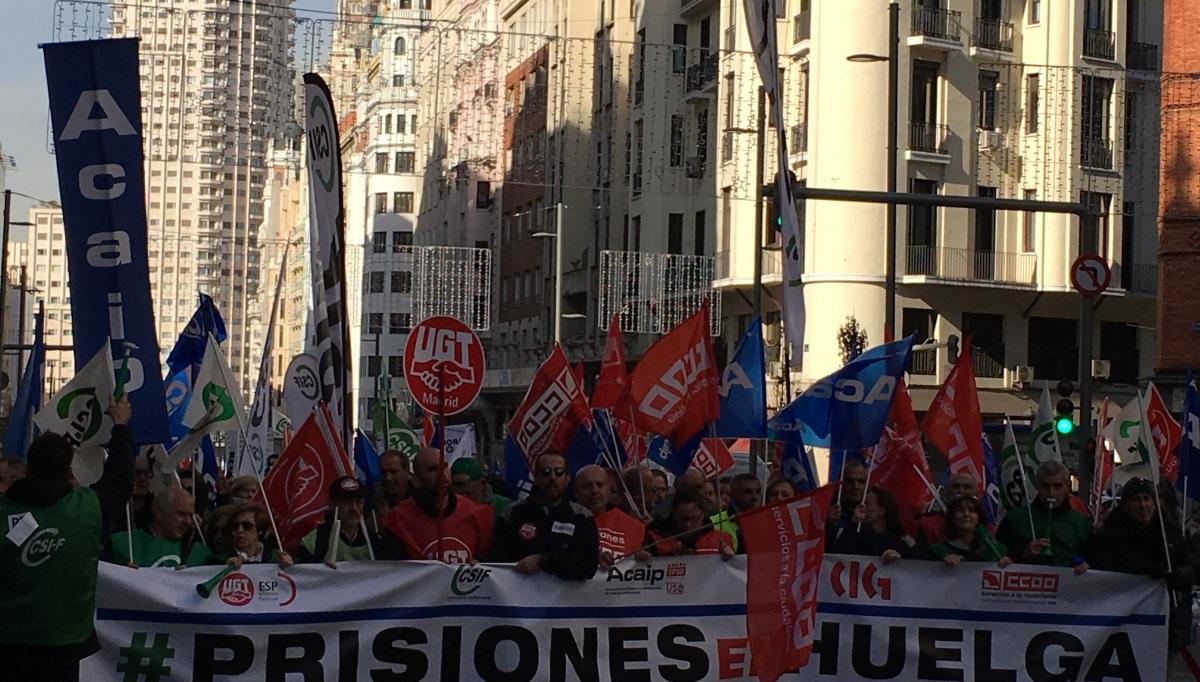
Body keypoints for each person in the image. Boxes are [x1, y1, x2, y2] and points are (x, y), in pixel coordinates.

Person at [0, 397, 134, 681]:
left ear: (28, 467)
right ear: (68, 469)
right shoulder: (88, 508)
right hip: (65, 642)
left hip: (9, 641)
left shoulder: (4, 512)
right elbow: (120, 479)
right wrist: (120, 426)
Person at [1090, 478, 1196, 655]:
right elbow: (1102, 570)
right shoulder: (1110, 534)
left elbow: (1190, 568)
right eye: (1136, 499)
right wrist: (1146, 571)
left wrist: (1176, 575)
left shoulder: (1170, 533)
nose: (1143, 505)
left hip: (1167, 625)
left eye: (1147, 498)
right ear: (1125, 505)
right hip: (1122, 623)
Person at [489, 451, 599, 579]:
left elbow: (588, 565)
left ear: (567, 478)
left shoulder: (581, 516)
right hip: (521, 595)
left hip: (565, 597)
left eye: (558, 472)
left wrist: (543, 561)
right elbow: (496, 561)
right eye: (546, 472)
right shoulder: (513, 513)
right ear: (535, 477)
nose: (553, 478)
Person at [380, 448, 493, 563]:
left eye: (444, 466)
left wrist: (481, 564)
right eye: (432, 470)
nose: (441, 474)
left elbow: (492, 561)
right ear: (416, 478)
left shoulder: (477, 514)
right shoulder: (398, 520)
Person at [996, 460, 1091, 572]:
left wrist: (1083, 565)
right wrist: (1022, 554)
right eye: (1046, 486)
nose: (1051, 493)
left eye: (1058, 486)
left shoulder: (1081, 523)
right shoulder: (1015, 518)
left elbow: (1092, 558)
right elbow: (997, 554)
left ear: (1067, 487)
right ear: (1037, 485)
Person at [109, 486, 214, 568]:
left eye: (191, 515)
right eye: (181, 514)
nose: (188, 521)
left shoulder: (201, 554)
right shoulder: (123, 543)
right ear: (159, 513)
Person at [297, 477, 381, 566]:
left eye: (358, 502)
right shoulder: (315, 540)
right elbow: (302, 574)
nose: (354, 508)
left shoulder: (373, 539)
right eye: (347, 502)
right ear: (332, 504)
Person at [575, 465, 646, 567]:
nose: (594, 491)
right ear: (576, 492)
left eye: (600, 485)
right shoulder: (562, 521)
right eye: (587, 486)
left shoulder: (633, 527)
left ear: (609, 490)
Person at [829, 486, 914, 563]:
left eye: (867, 504)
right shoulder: (856, 537)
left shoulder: (899, 541)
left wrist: (897, 556)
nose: (862, 507)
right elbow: (836, 555)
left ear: (881, 510)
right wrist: (854, 523)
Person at [647, 488, 734, 558]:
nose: (687, 524)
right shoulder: (655, 539)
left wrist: (730, 558)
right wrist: (670, 556)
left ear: (703, 514)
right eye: (682, 519)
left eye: (693, 519)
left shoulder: (721, 539)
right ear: (673, 514)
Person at [929, 495, 1010, 567]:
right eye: (960, 510)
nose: (966, 514)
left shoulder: (995, 550)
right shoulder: (939, 551)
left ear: (978, 518)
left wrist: (1008, 565)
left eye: (971, 510)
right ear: (952, 517)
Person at [217, 502, 293, 569]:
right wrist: (224, 569)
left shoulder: (277, 558)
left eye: (247, 526)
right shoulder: (220, 560)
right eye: (235, 526)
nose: (240, 530)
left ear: (260, 529)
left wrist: (290, 568)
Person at [914, 472, 980, 547]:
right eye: (956, 487)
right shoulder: (927, 525)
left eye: (967, 487)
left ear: (977, 494)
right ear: (946, 492)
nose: (961, 491)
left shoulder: (988, 528)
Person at [709, 473, 761, 553]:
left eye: (758, 492)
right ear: (732, 494)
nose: (755, 497)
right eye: (748, 492)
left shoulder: (768, 522)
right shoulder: (714, 522)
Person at [375, 449, 413, 514]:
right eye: (384, 472)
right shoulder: (374, 499)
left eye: (393, 472)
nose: (388, 478)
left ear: (406, 471)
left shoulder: (422, 496)